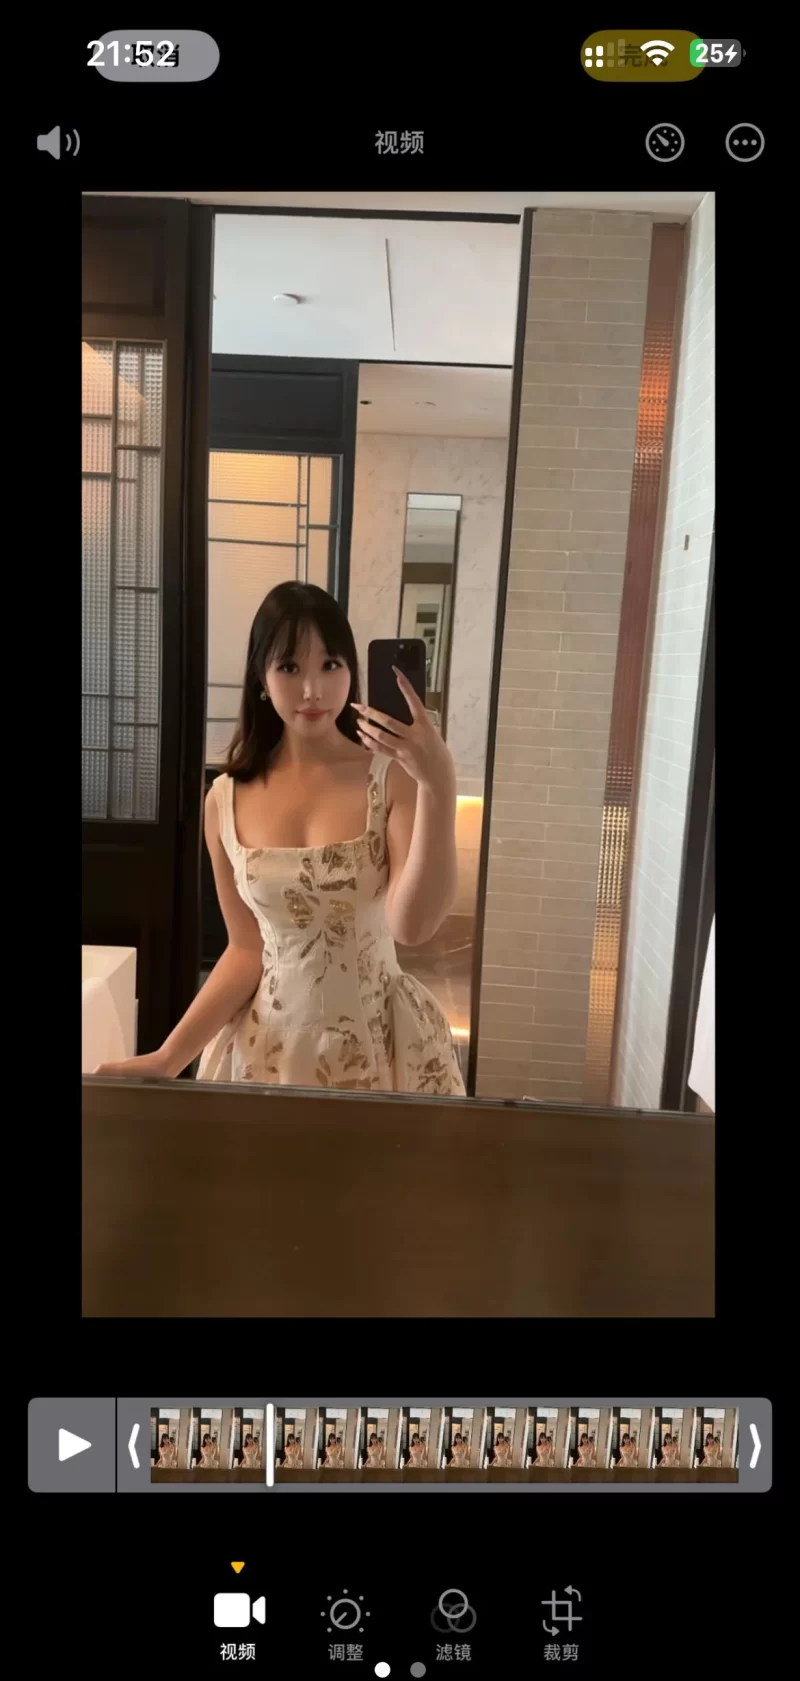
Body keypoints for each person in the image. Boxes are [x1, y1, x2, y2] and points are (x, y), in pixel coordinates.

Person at [96, 582, 464, 1096]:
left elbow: (412, 926)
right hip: (267, 1053)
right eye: (290, 667)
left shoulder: (391, 778)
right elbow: (245, 950)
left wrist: (438, 784)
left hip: (381, 1045)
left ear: (352, 671)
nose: (312, 689)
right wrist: (168, 1057)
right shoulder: (224, 799)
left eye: (330, 664)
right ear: (262, 679)